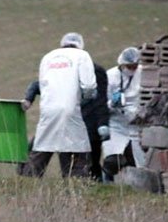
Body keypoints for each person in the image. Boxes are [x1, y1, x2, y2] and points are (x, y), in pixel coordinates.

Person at [19, 32, 97, 178]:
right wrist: (86, 99)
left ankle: (28, 182)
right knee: (76, 148)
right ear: (80, 44)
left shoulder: (48, 57)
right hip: (70, 109)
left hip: (48, 110)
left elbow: (42, 84)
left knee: (42, 147)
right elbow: (89, 86)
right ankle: (75, 185)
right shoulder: (82, 56)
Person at [19, 62, 110, 180]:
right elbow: (38, 85)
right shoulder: (63, 74)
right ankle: (28, 180)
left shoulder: (93, 73)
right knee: (39, 151)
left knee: (68, 157)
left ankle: (76, 184)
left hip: (71, 123)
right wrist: (28, 98)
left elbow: (99, 102)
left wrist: (102, 123)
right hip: (60, 122)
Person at [101, 47, 145, 181]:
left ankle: (139, 186)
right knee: (112, 160)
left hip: (137, 122)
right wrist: (112, 104)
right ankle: (106, 184)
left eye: (134, 66)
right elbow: (101, 104)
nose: (132, 69)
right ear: (122, 64)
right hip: (116, 123)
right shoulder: (110, 76)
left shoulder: (143, 73)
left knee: (140, 161)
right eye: (129, 66)